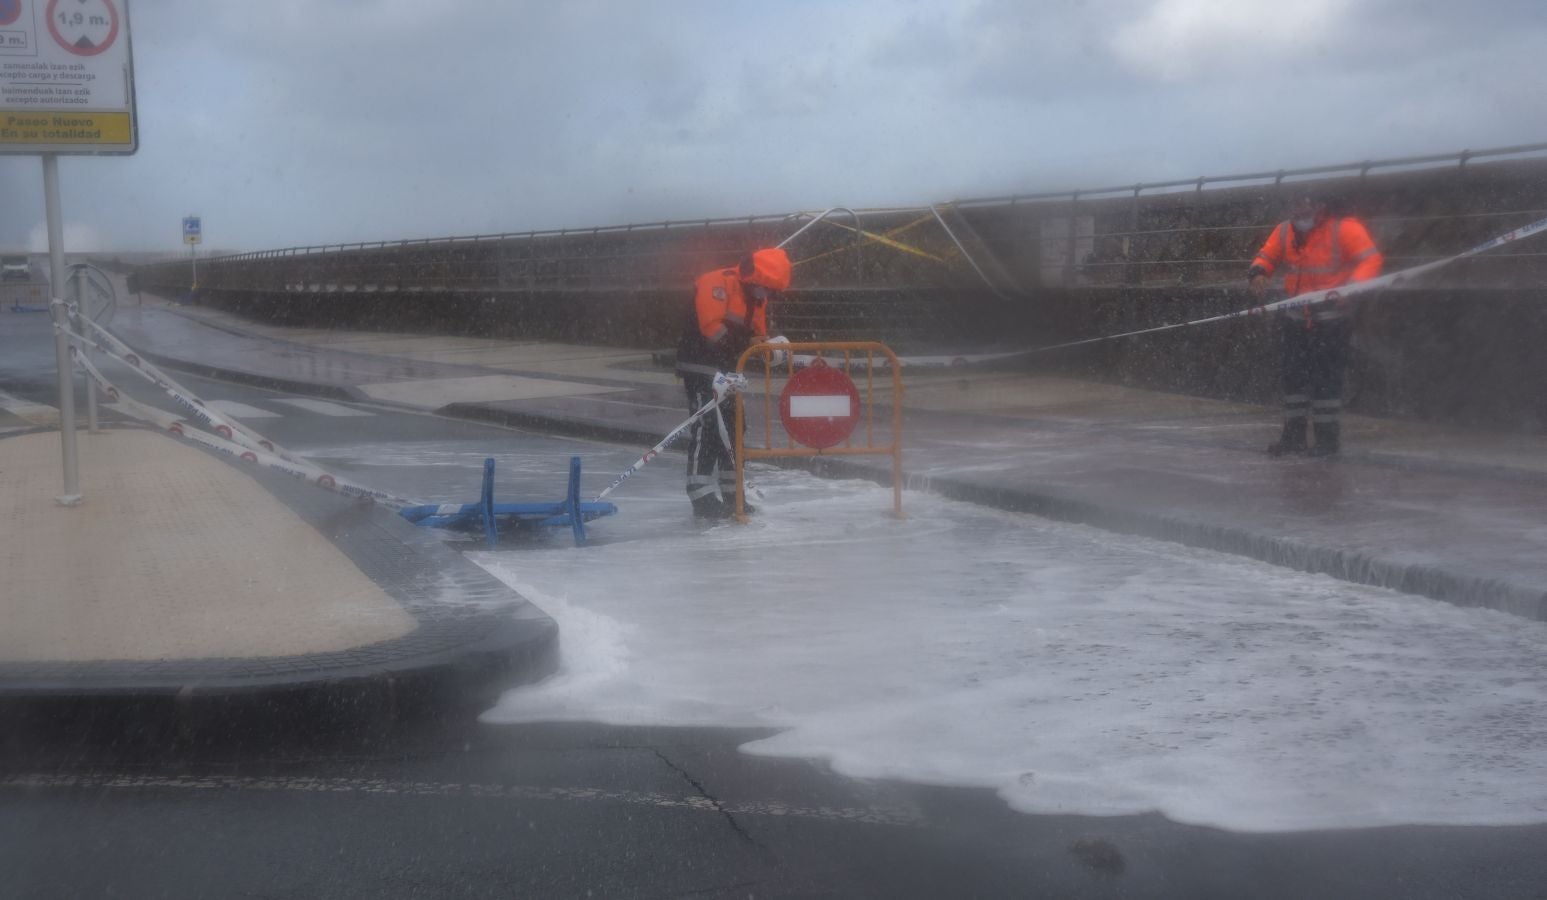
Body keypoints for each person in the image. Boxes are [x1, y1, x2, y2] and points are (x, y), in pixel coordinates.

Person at [1248, 194, 1383, 457]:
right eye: (1294, 205)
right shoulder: (1285, 230)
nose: (1298, 210)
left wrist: (1351, 288)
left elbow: (1371, 260)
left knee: (1326, 381)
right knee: (1293, 380)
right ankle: (1293, 437)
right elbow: (1267, 255)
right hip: (1296, 320)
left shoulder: (1344, 229)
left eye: (1305, 204)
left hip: (1332, 321)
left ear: (1321, 206)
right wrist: (1258, 271)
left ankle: (1327, 441)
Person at [675, 247, 791, 518]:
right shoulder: (716, 283)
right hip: (701, 366)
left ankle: (732, 494)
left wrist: (767, 349)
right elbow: (712, 329)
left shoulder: (756, 298)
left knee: (734, 429)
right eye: (766, 289)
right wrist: (746, 345)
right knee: (708, 428)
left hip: (728, 370)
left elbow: (757, 335)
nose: (767, 295)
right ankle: (701, 496)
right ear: (755, 280)